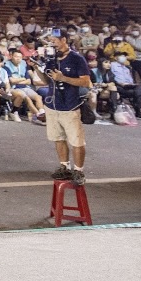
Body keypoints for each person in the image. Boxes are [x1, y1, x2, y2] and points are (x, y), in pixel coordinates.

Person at [45, 32, 92, 186]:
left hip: (70, 106)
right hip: (52, 105)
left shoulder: (77, 59)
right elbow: (46, 79)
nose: (52, 44)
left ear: (64, 40)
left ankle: (78, 171)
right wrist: (36, 68)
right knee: (58, 138)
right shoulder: (51, 59)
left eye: (54, 41)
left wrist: (63, 78)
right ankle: (64, 167)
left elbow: (86, 82)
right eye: (50, 41)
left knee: (76, 140)